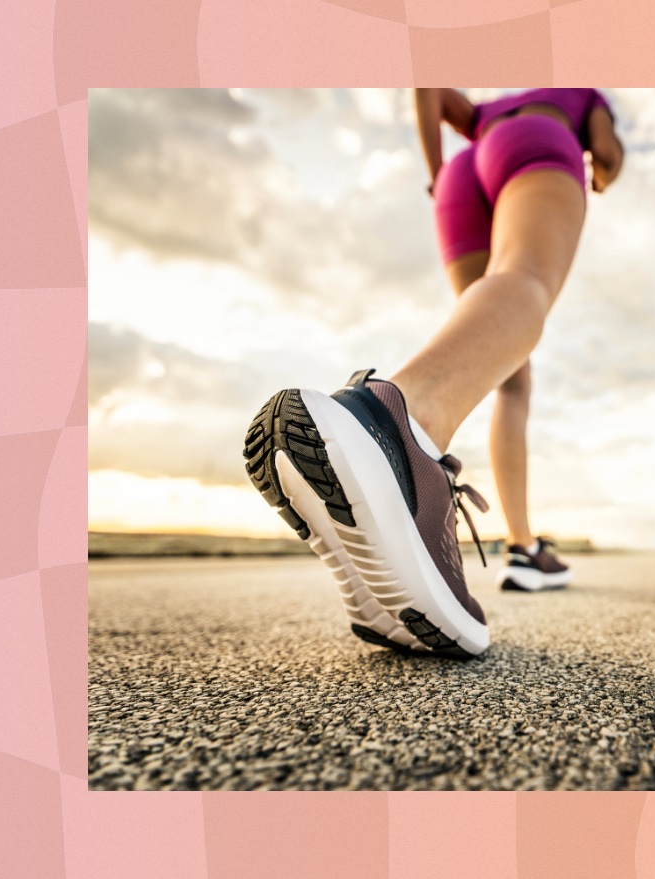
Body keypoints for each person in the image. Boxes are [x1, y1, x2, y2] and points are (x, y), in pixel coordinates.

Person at [243, 88, 624, 658]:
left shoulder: (486, 114)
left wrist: (437, 170)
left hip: (464, 172)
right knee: (526, 281)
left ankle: (521, 545)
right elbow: (608, 156)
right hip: (536, 148)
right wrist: (601, 169)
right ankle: (399, 427)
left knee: (508, 367)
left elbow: (432, 89)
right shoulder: (579, 94)